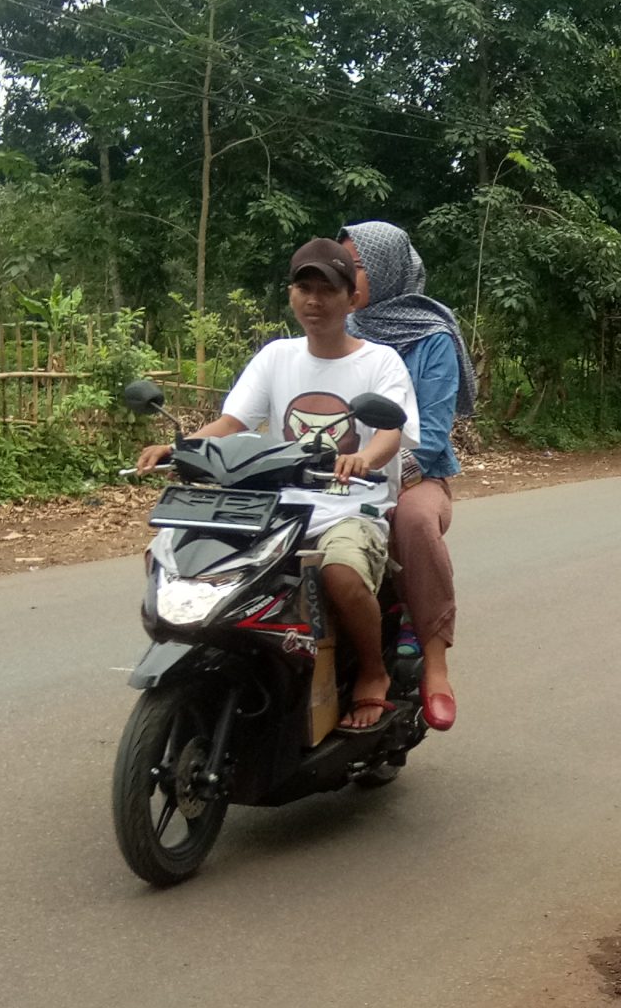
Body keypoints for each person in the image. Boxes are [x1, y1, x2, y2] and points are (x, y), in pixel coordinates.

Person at [135, 238, 419, 733]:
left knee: (342, 575)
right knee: (178, 559)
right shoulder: (276, 357)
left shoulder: (381, 362)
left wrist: (362, 458)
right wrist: (179, 449)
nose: (314, 301)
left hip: (351, 507)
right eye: (303, 288)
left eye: (327, 290)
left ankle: (372, 674)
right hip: (272, 506)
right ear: (290, 296)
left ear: (352, 300)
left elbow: (392, 431)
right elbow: (231, 421)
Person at [341, 220, 467, 732]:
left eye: (357, 267)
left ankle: (434, 662)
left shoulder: (432, 336)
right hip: (343, 473)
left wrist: (384, 473)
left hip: (420, 475)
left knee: (412, 522)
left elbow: (432, 435)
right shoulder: (339, 329)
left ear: (389, 270)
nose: (345, 279)